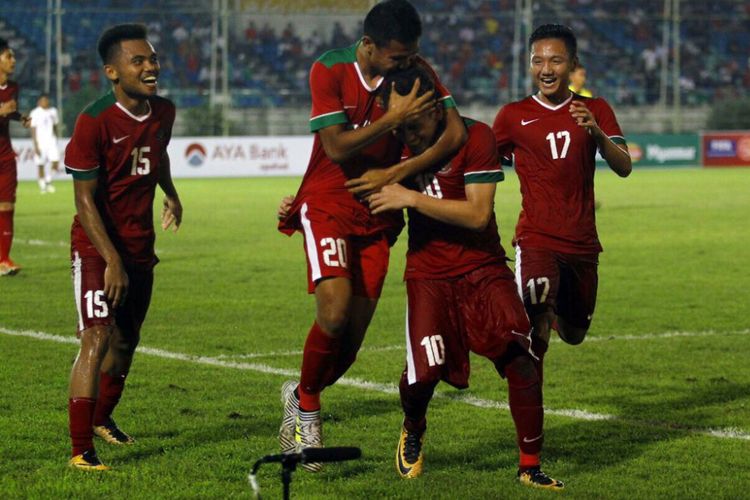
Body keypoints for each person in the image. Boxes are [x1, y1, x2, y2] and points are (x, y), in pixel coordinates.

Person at [276, 0, 466, 472]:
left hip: (379, 210)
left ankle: (299, 395)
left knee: (350, 343)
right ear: (369, 46)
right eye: (397, 58)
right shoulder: (330, 70)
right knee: (335, 311)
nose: (406, 65)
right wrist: (390, 119)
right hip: (327, 201)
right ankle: (309, 417)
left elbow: (456, 131)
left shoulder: (417, 69)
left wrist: (399, 170)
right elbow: (336, 146)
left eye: (410, 56)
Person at [366, 65, 563, 490]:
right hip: (428, 275)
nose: (409, 138)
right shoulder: (393, 143)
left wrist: (409, 197)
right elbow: (370, 203)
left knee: (521, 358)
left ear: (437, 108)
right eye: (402, 128)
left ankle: (530, 467)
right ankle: (414, 426)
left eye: (415, 126)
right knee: (424, 375)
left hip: (482, 268)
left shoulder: (476, 137)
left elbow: (477, 215)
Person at [65, 23, 182, 471]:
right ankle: (80, 450)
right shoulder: (93, 120)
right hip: (97, 248)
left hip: (140, 246)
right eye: (140, 60)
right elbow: (82, 199)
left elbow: (159, 152)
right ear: (113, 72)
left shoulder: (163, 112)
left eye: (152, 58)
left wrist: (170, 191)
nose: (151, 66)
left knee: (127, 340)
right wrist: (111, 258)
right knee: (95, 337)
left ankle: (102, 419)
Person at [492, 24, 631, 365]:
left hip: (582, 242)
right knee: (536, 327)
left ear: (572, 64)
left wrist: (596, 133)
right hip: (536, 238)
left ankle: (555, 314)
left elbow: (624, 166)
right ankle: (532, 413)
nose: (546, 69)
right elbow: (483, 161)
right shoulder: (512, 116)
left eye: (555, 61)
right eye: (537, 61)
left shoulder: (596, 108)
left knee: (573, 334)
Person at [0, 37, 29, 276]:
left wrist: (20, 117)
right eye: (8, 56)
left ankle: (4, 259)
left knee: (7, 206)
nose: (13, 60)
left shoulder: (13, 87)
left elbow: (7, 114)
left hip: (5, 154)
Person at [29, 93, 61, 194]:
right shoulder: (34, 113)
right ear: (39, 102)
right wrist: (35, 145)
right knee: (40, 164)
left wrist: (56, 137)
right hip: (40, 142)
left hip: (51, 141)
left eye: (47, 100)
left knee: (56, 162)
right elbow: (33, 129)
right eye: (43, 100)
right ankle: (42, 186)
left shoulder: (53, 111)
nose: (45, 102)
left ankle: (48, 179)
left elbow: (55, 125)